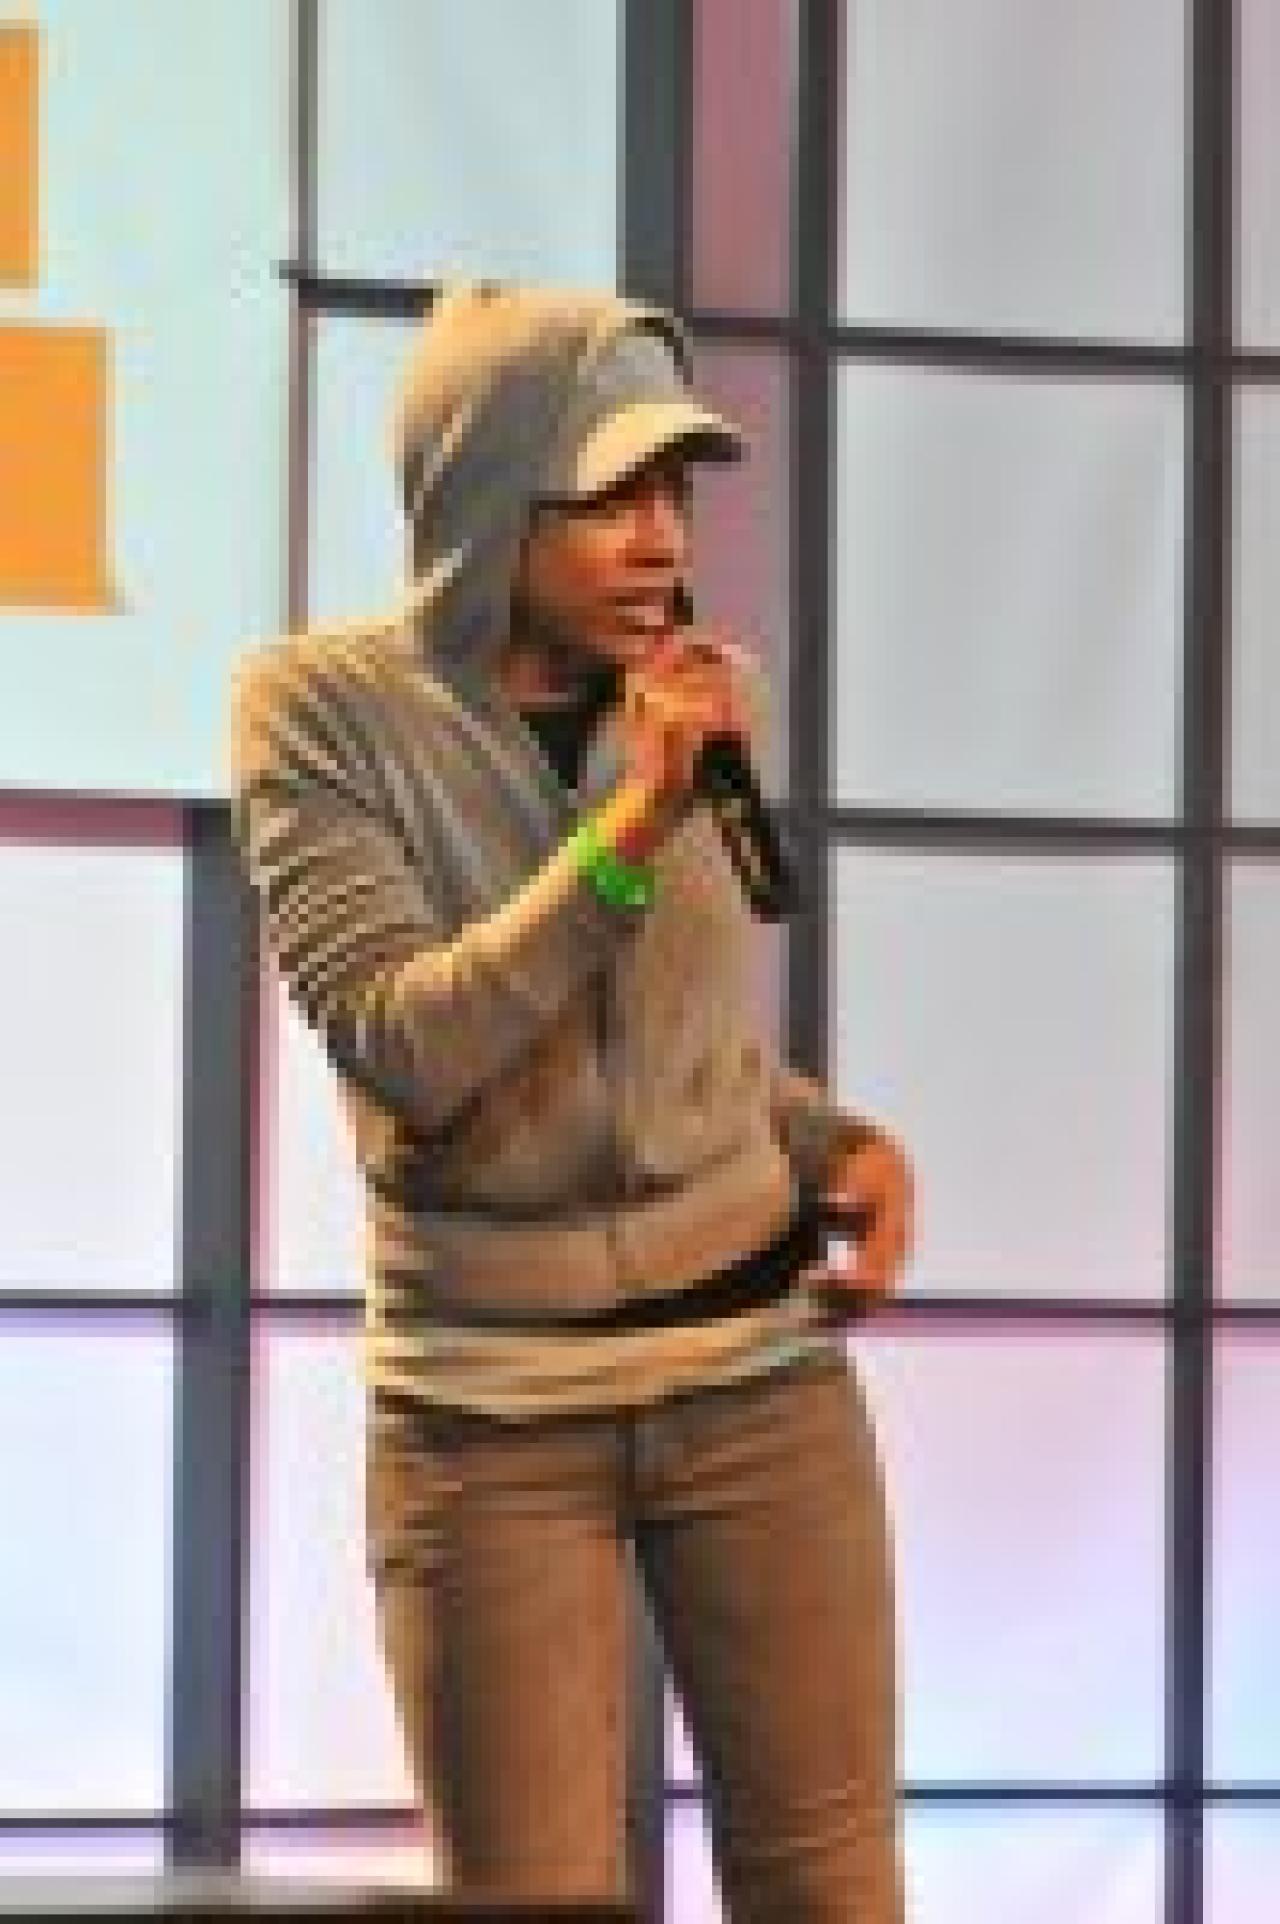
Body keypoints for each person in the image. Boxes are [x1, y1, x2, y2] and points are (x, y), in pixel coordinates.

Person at [228, 282, 913, 1920]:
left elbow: (671, 1042)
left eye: (677, 493)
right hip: (489, 1420)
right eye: (612, 496)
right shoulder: (318, 714)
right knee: (531, 1901)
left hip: (758, 1378)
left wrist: (831, 1144)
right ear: (487, 497)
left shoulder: (692, 700)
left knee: (833, 1889)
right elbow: (412, 1047)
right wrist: (626, 835)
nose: (661, 539)